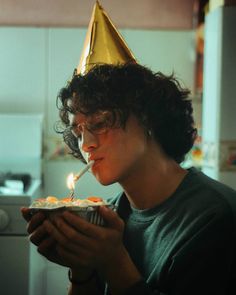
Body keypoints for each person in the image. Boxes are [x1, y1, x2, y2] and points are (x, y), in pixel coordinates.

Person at [21, 62, 236, 295]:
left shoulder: (215, 217)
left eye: (100, 123)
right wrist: (82, 269)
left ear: (148, 119)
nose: (86, 144)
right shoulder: (109, 215)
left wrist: (113, 262)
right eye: (78, 132)